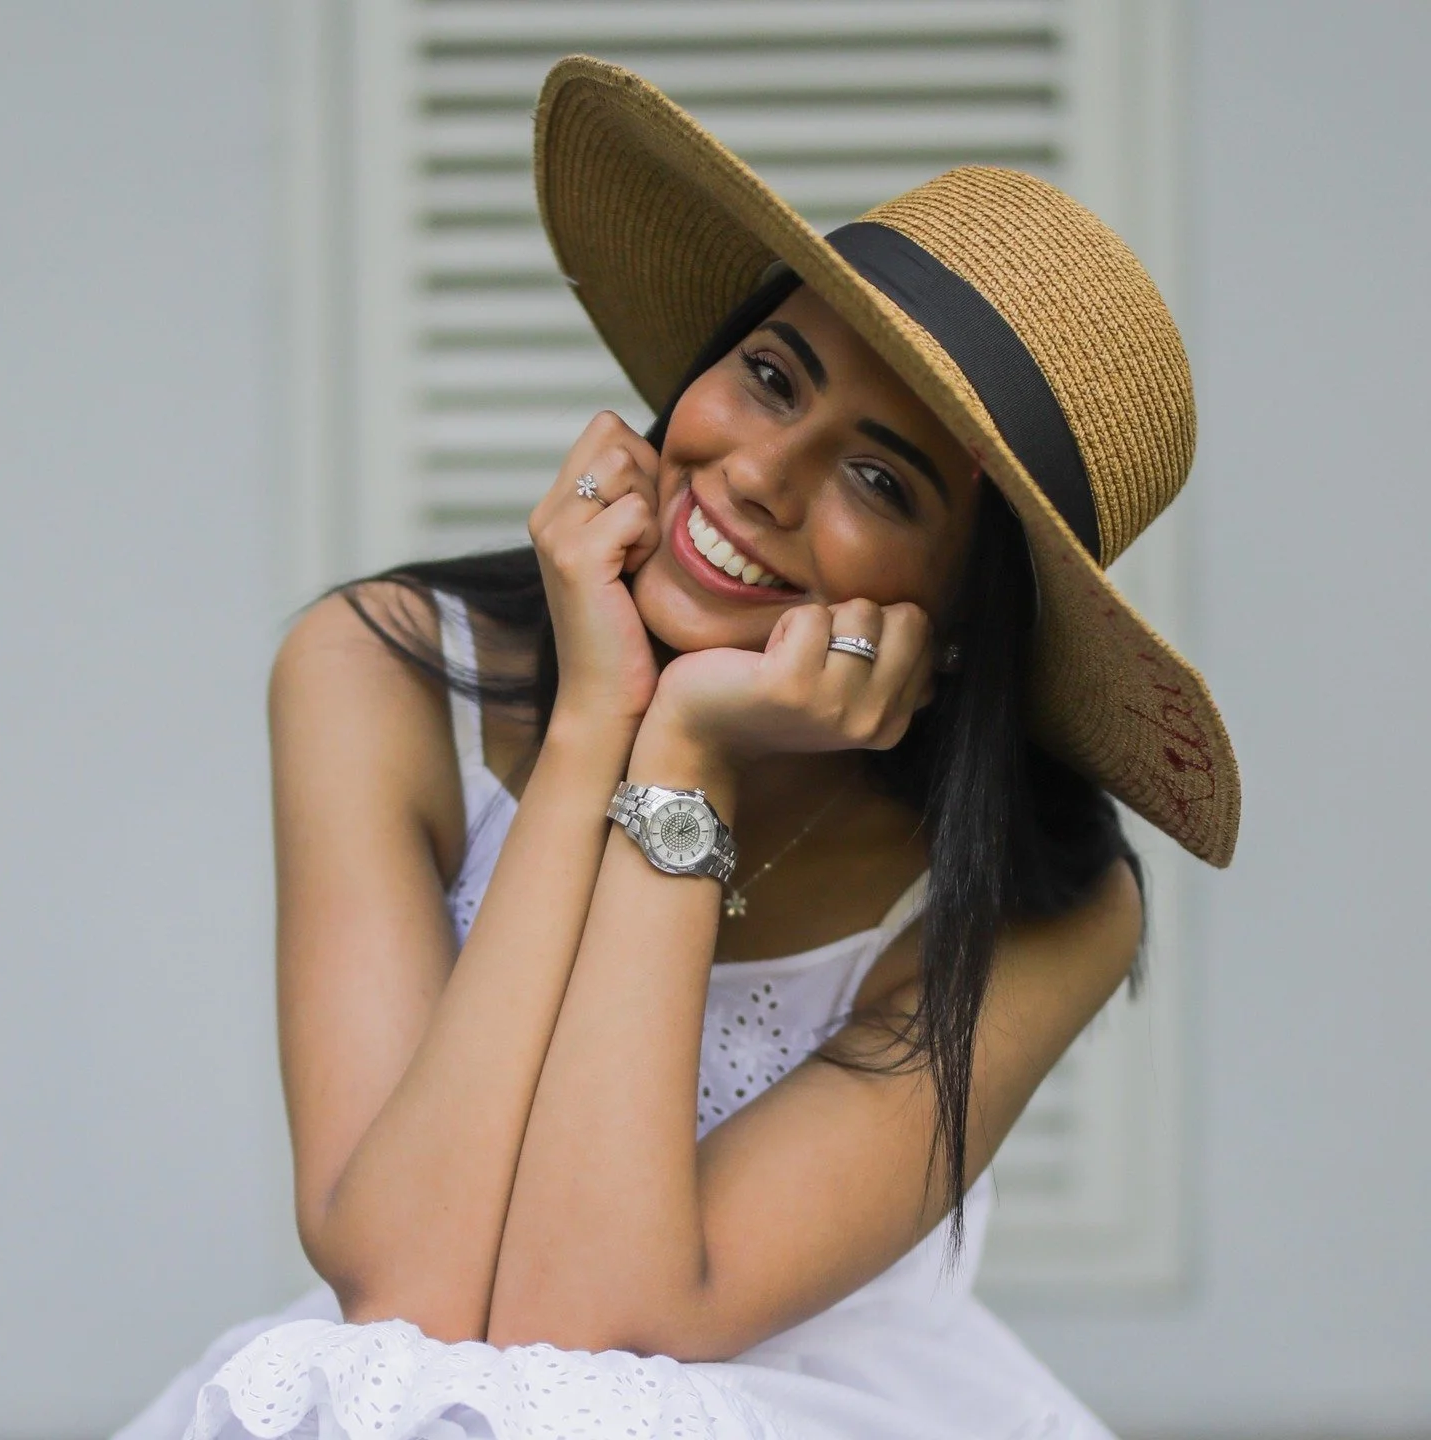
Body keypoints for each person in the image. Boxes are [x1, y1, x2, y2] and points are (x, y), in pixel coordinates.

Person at [113, 58, 1240, 1440]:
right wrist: (600, 718)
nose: (758, 474)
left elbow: (592, 1318)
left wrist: (684, 750)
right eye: (770, 377)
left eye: (878, 480)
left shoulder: (1046, 905)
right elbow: (404, 1282)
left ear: (961, 624)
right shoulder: (377, 670)